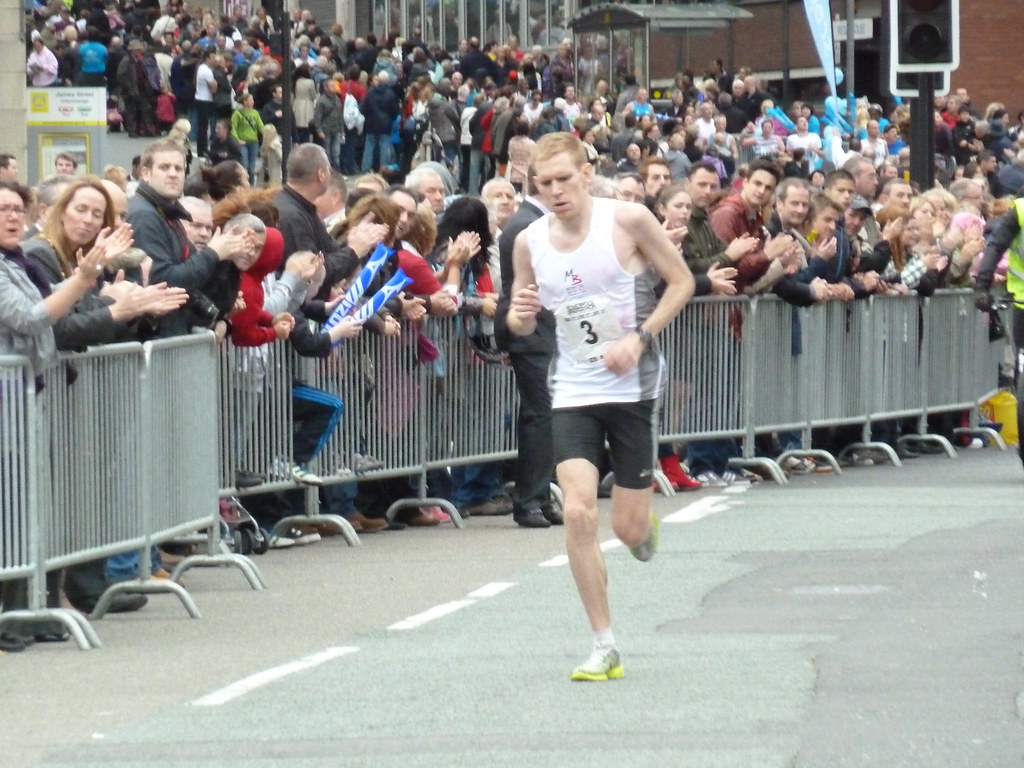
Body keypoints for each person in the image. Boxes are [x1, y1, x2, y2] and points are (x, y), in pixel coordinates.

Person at [507, 134, 695, 680]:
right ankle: (604, 643)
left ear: (586, 174)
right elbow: (519, 318)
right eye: (546, 184)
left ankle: (641, 529)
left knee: (630, 530)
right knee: (580, 510)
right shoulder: (528, 240)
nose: (558, 191)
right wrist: (520, 312)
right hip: (572, 391)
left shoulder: (629, 220)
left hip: (632, 388)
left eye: (566, 179)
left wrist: (639, 338)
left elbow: (681, 281)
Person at [0, 179, 121, 647]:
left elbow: (48, 326)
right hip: (9, 397)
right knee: (11, 506)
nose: (12, 216)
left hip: (26, 397)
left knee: (25, 506)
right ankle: (15, 614)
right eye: (3, 209)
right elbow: (31, 319)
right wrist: (84, 279)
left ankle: (25, 609)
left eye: (17, 207)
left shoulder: (22, 262)